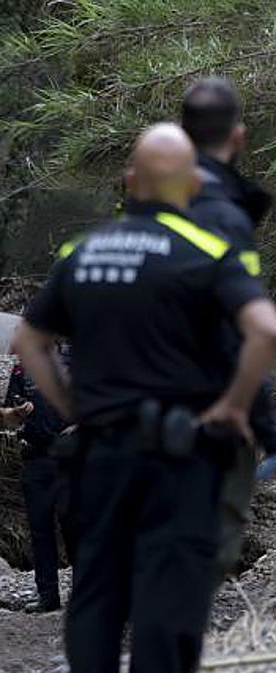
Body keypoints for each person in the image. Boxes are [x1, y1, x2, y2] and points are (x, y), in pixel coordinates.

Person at [13, 123, 276, 673]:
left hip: (99, 452)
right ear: (190, 187)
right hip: (179, 454)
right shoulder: (203, 248)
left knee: (97, 590)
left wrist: (73, 405)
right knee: (168, 587)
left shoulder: (83, 250)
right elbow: (264, 330)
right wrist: (234, 405)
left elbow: (28, 342)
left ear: (128, 184)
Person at [181, 77, 276, 581]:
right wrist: (251, 408)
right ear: (237, 137)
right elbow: (251, 329)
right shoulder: (225, 214)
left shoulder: (143, 212)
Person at [1, 351, 77, 613]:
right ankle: (48, 596)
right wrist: (17, 411)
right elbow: (7, 412)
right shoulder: (22, 370)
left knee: (74, 527)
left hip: (70, 459)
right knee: (40, 530)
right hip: (35, 458)